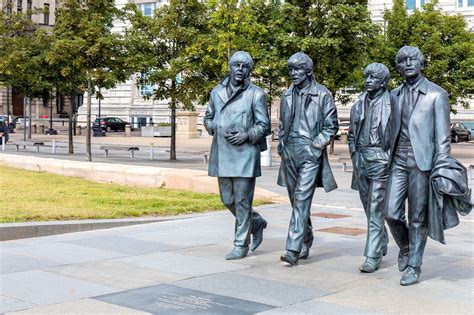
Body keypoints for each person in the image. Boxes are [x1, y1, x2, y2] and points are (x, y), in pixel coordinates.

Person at [384, 46, 451, 285]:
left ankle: (414, 265)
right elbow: (391, 126)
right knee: (390, 212)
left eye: (413, 59)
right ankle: (405, 245)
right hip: (398, 160)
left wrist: (441, 167)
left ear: (421, 63)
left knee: (417, 217)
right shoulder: (394, 94)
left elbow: (443, 138)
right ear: (398, 67)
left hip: (423, 163)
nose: (409, 63)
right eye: (403, 60)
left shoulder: (437, 94)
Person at [204, 51, 270, 260]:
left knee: (242, 200)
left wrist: (247, 135)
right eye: (236, 65)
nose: (240, 70)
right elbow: (208, 117)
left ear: (250, 70)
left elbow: (264, 125)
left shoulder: (256, 94)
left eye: (245, 66)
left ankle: (241, 244)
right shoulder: (217, 92)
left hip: (245, 154)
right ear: (230, 67)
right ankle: (256, 222)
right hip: (222, 152)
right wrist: (214, 125)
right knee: (227, 199)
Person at [277, 52, 338, 265]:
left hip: (310, 152)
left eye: (298, 69)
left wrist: (315, 147)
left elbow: (332, 127)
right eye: (291, 69)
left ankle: (292, 249)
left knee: (302, 199)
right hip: (289, 152)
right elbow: (282, 124)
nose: (293, 73)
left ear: (308, 71)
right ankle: (306, 236)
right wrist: (281, 145)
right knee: (296, 201)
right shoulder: (286, 95)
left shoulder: (322, 94)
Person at [348, 63, 391, 273]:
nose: (367, 81)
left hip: (381, 159)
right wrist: (354, 155)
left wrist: (388, 158)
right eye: (366, 77)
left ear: (383, 82)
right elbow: (351, 135)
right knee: (367, 206)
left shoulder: (393, 103)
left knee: (375, 207)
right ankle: (382, 240)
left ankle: (372, 255)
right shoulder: (358, 105)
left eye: (373, 78)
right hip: (361, 159)